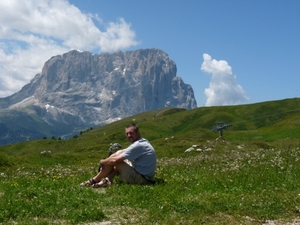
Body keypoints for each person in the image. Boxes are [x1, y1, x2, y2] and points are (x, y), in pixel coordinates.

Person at [80, 123, 156, 188]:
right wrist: (111, 158)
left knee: (116, 161)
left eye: (131, 133)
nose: (129, 135)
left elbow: (114, 161)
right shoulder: (142, 142)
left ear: (138, 132)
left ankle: (94, 180)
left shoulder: (138, 145)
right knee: (119, 154)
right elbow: (123, 151)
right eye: (127, 134)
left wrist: (102, 162)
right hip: (146, 177)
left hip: (143, 180)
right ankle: (108, 180)